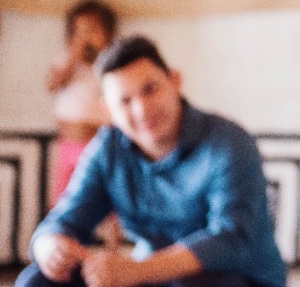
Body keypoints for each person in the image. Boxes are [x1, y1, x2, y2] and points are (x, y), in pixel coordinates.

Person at [17, 35, 286, 287]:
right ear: (108, 110)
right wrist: (49, 245)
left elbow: (230, 240)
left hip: (239, 279)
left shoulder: (229, 142)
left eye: (150, 90)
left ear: (175, 81)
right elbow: (65, 218)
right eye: (125, 101)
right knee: (38, 280)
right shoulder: (107, 148)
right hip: (155, 276)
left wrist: (135, 271)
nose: (142, 109)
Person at [46, 0, 118, 203]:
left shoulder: (108, 66)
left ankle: (112, 235)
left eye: (92, 30)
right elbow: (53, 84)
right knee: (62, 197)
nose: (85, 37)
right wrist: (72, 59)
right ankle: (57, 233)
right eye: (79, 31)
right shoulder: (66, 61)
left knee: (104, 197)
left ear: (109, 35)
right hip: (67, 144)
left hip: (98, 145)